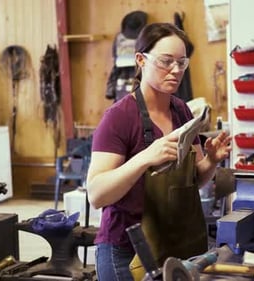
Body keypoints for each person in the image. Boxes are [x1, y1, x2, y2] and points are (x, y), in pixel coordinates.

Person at [86, 22, 232, 281]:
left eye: (182, 62)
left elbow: (194, 180)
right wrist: (146, 157)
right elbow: (96, 194)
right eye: (166, 61)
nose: (176, 70)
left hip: (172, 244)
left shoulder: (181, 111)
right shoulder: (118, 118)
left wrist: (211, 161)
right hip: (124, 252)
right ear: (141, 60)